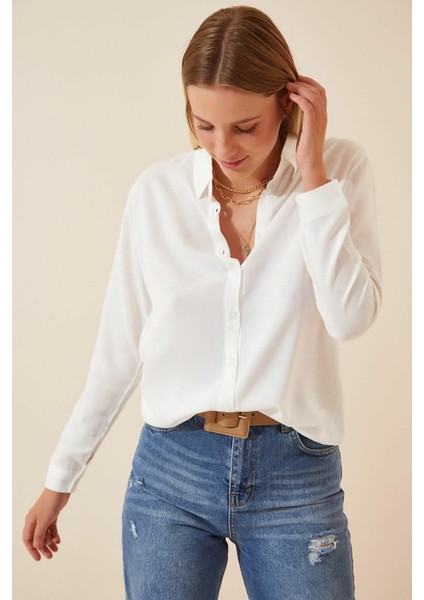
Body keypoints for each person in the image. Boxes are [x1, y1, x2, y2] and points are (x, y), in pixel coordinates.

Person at [23, 6, 382, 599]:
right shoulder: (156, 194)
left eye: (245, 126)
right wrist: (59, 480)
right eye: (204, 124)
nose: (223, 146)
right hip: (171, 472)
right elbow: (119, 352)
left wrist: (314, 175)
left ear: (287, 103)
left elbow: (350, 318)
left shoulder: (339, 171)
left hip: (296, 475)